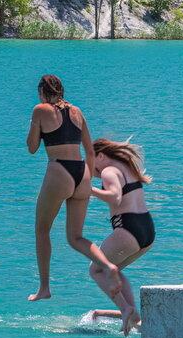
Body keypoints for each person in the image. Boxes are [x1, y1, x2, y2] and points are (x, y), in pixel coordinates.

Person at [26, 74, 122, 302]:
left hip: (59, 170)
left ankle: (44, 288)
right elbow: (90, 151)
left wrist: (33, 125)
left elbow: (31, 147)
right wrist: (87, 179)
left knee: (42, 230)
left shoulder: (40, 110)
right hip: (81, 173)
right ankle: (108, 265)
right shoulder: (77, 111)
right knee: (75, 237)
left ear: (42, 92)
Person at [89, 138, 156, 336]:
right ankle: (134, 318)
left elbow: (115, 196)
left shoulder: (109, 170)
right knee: (113, 270)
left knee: (97, 270)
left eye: (90, 160)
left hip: (127, 228)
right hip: (147, 230)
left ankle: (126, 310)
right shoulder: (126, 167)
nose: (90, 168)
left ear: (101, 156)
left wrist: (88, 190)